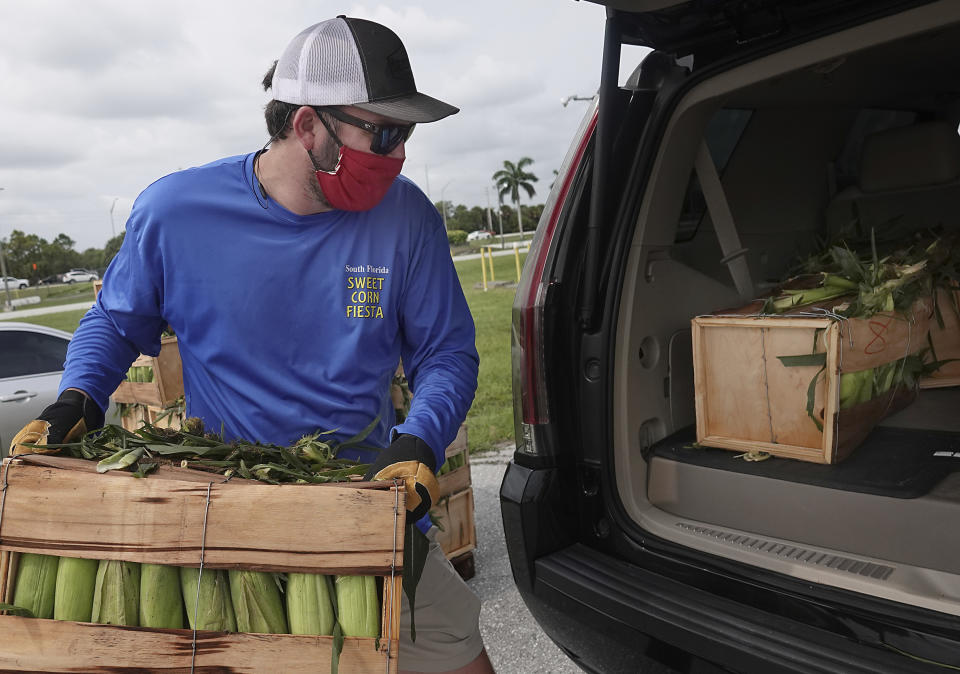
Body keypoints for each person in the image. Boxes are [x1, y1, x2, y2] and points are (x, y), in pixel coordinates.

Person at [10, 16, 494, 674]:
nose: (397, 152)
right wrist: (76, 399)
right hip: (230, 516)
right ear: (306, 126)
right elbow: (117, 322)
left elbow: (447, 354)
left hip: (367, 500)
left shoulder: (405, 220)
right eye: (380, 132)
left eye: (404, 133)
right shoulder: (176, 212)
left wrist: (420, 441)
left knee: (462, 655)